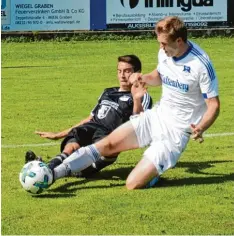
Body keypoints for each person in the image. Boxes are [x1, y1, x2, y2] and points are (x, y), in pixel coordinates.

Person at [46, 16, 220, 190]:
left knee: (132, 184)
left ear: (179, 40)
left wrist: (201, 127)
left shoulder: (201, 65)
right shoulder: (165, 53)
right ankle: (53, 174)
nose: (160, 47)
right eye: (159, 43)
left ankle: (154, 173)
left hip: (175, 133)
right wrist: (142, 78)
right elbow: (159, 76)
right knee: (106, 145)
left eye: (164, 43)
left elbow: (214, 105)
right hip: (156, 117)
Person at [26, 54, 153, 178]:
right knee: (73, 144)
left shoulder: (142, 96)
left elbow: (138, 122)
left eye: (127, 71)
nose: (122, 75)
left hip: (109, 139)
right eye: (119, 71)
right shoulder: (107, 92)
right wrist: (57, 135)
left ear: (137, 73)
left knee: (79, 170)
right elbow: (89, 119)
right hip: (91, 128)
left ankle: (42, 169)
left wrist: (136, 98)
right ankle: (46, 169)